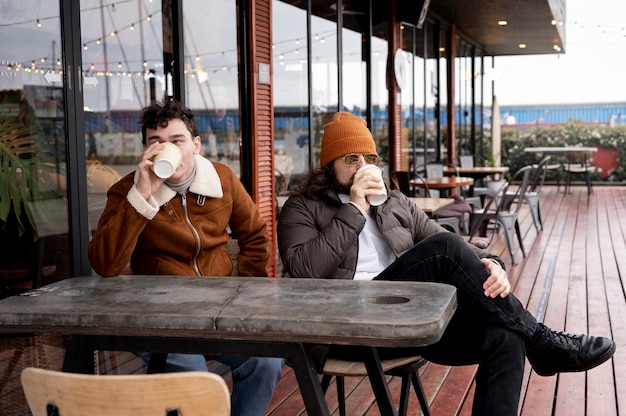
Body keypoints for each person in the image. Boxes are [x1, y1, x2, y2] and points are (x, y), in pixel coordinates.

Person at [277, 111, 616, 415]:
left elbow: (453, 246)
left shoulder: (395, 202)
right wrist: (354, 208)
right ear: (329, 165)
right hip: (344, 331)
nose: (362, 166)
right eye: (351, 158)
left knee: (505, 337)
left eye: (369, 158)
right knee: (442, 248)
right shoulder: (301, 207)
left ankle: (533, 339)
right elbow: (304, 270)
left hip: (408, 324)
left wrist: (492, 263)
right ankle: (541, 340)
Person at [88, 99, 283, 416]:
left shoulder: (222, 178)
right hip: (155, 319)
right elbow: (104, 263)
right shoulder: (127, 191)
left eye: (176, 141)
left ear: (195, 145)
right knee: (197, 381)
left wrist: (250, 292)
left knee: (266, 360)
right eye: (156, 142)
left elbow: (255, 234)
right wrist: (142, 196)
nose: (167, 149)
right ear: (146, 150)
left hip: (217, 314)